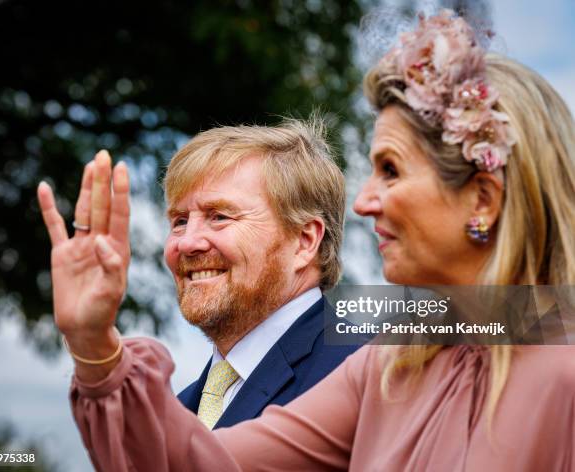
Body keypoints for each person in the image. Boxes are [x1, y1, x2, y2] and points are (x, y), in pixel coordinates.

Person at [41, 10, 575, 471]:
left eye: (391, 170)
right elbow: (203, 463)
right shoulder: (390, 363)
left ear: (482, 199)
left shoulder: (364, 347)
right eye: (178, 221)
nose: (363, 201)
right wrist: (95, 347)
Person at [37, 118, 358, 433]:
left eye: (219, 216)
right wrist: (90, 340)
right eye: (178, 221)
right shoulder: (179, 411)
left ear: (304, 241)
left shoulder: (368, 376)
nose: (186, 243)